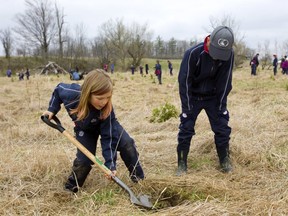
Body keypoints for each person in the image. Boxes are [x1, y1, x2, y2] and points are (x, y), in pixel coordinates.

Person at [42, 69, 145, 193]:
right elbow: (58, 89)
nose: (104, 102)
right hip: (85, 130)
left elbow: (109, 138)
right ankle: (71, 188)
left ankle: (139, 180)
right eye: (100, 98)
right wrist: (52, 109)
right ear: (88, 93)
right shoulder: (72, 94)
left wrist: (110, 165)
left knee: (127, 144)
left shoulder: (107, 109)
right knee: (84, 160)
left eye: (108, 98)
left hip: (108, 126)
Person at [176, 26, 234, 176]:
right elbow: (184, 82)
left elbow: (225, 81)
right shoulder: (193, 54)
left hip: (213, 97)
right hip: (193, 96)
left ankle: (224, 160)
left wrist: (221, 107)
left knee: (222, 126)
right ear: (209, 40)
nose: (217, 57)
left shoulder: (228, 56)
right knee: (186, 127)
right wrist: (187, 109)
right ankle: (182, 163)